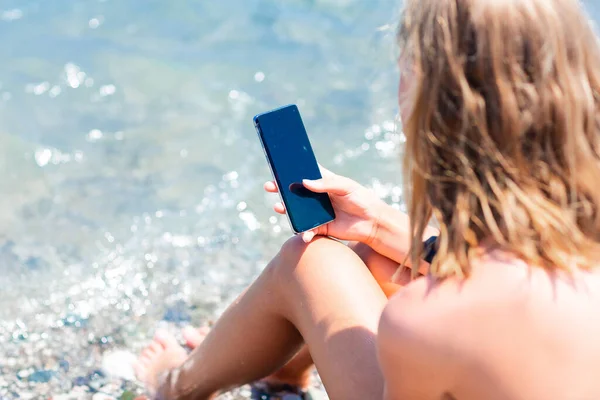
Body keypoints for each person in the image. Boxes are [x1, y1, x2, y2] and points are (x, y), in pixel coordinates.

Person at [135, 0, 600, 398]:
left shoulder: (426, 321)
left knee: (309, 262)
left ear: (434, 110)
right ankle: (279, 369)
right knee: (371, 256)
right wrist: (379, 227)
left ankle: (175, 386)